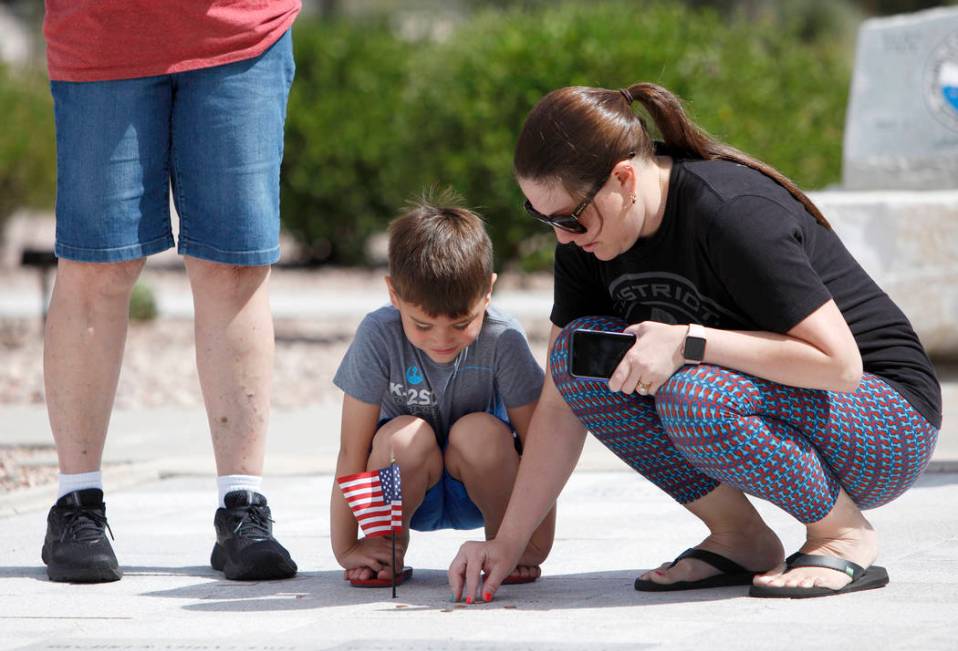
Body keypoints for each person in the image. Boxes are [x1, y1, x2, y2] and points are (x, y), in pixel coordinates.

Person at [449, 82, 941, 602]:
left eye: (570, 217)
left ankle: (843, 533)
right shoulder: (587, 242)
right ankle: (741, 538)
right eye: (543, 217)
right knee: (577, 357)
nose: (563, 237)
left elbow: (839, 365)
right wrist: (507, 543)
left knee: (694, 394)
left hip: (887, 422)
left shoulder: (731, 211)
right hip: (780, 402)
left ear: (623, 178)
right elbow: (560, 400)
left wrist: (690, 342)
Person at [40, 1, 301, 583]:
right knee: (97, 265)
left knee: (233, 266)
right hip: (102, 30)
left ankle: (244, 508)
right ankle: (76, 505)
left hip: (240, 28)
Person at [331, 195, 554, 589]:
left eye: (461, 323)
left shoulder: (503, 338)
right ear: (393, 293)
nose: (442, 340)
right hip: (406, 485)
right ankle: (386, 546)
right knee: (402, 437)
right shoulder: (378, 335)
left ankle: (504, 541)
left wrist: (533, 544)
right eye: (422, 325)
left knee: (479, 431)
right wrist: (347, 547)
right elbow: (352, 448)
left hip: (485, 483)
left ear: (488, 291)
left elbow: (540, 448)